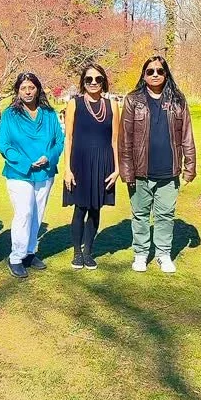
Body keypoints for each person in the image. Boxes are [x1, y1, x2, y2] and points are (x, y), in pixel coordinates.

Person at [118, 54, 196, 273]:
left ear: (166, 74)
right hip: (140, 172)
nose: (155, 74)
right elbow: (124, 139)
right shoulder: (133, 100)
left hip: (168, 172)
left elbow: (187, 135)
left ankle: (163, 254)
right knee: (140, 215)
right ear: (144, 75)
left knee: (165, 215)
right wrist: (127, 171)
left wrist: (190, 166)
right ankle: (141, 254)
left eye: (159, 71)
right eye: (150, 71)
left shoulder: (178, 100)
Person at [0, 72, 64, 280]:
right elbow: (4, 145)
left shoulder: (49, 114)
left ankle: (29, 252)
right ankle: (16, 257)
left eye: (31, 87)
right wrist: (26, 162)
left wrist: (49, 157)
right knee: (24, 212)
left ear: (38, 89)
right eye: (23, 88)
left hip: (45, 172)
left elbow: (59, 141)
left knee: (37, 213)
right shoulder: (9, 115)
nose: (27, 91)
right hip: (19, 172)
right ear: (17, 91)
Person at [63, 62, 119, 270]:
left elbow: (115, 140)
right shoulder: (74, 104)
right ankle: (77, 253)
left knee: (95, 209)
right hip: (80, 162)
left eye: (98, 79)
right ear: (83, 82)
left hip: (103, 162)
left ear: (104, 81)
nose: (93, 82)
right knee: (80, 208)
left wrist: (117, 169)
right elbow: (68, 138)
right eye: (89, 79)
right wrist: (67, 169)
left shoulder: (112, 105)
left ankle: (88, 252)